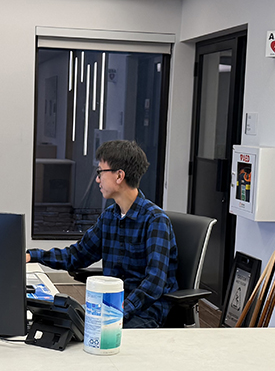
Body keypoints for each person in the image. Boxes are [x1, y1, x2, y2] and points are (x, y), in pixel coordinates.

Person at [25, 140, 178, 328]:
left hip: (145, 311)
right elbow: (77, 256)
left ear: (119, 176)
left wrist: (116, 312)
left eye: (100, 172)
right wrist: (33, 255)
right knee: (57, 323)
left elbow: (154, 283)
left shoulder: (155, 220)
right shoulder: (109, 217)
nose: (97, 179)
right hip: (111, 306)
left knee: (88, 334)